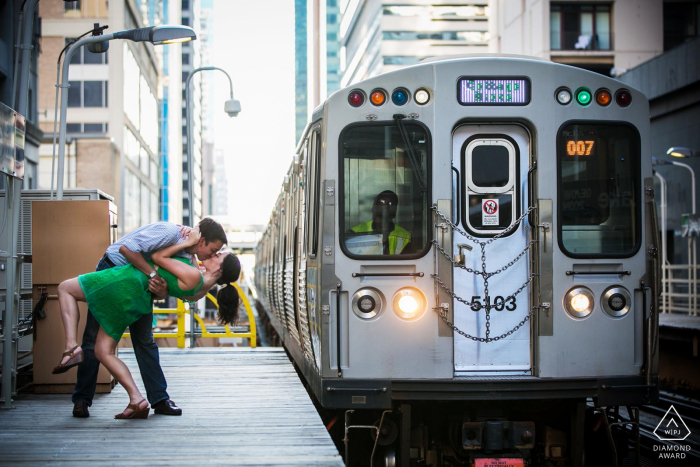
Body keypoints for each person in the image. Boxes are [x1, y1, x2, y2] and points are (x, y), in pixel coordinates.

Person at [54, 226, 242, 419]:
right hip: (116, 268)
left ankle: (154, 399)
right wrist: (157, 278)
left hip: (130, 283)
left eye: (216, 254)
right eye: (214, 250)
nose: (213, 254)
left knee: (137, 342)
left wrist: (161, 288)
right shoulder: (171, 234)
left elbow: (165, 273)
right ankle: (83, 400)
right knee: (97, 342)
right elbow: (126, 250)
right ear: (202, 241)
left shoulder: (191, 261)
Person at [351, 190, 411, 255]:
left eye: (391, 203)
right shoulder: (355, 232)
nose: (386, 205)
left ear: (395, 210)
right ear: (374, 207)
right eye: (382, 202)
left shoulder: (405, 236)